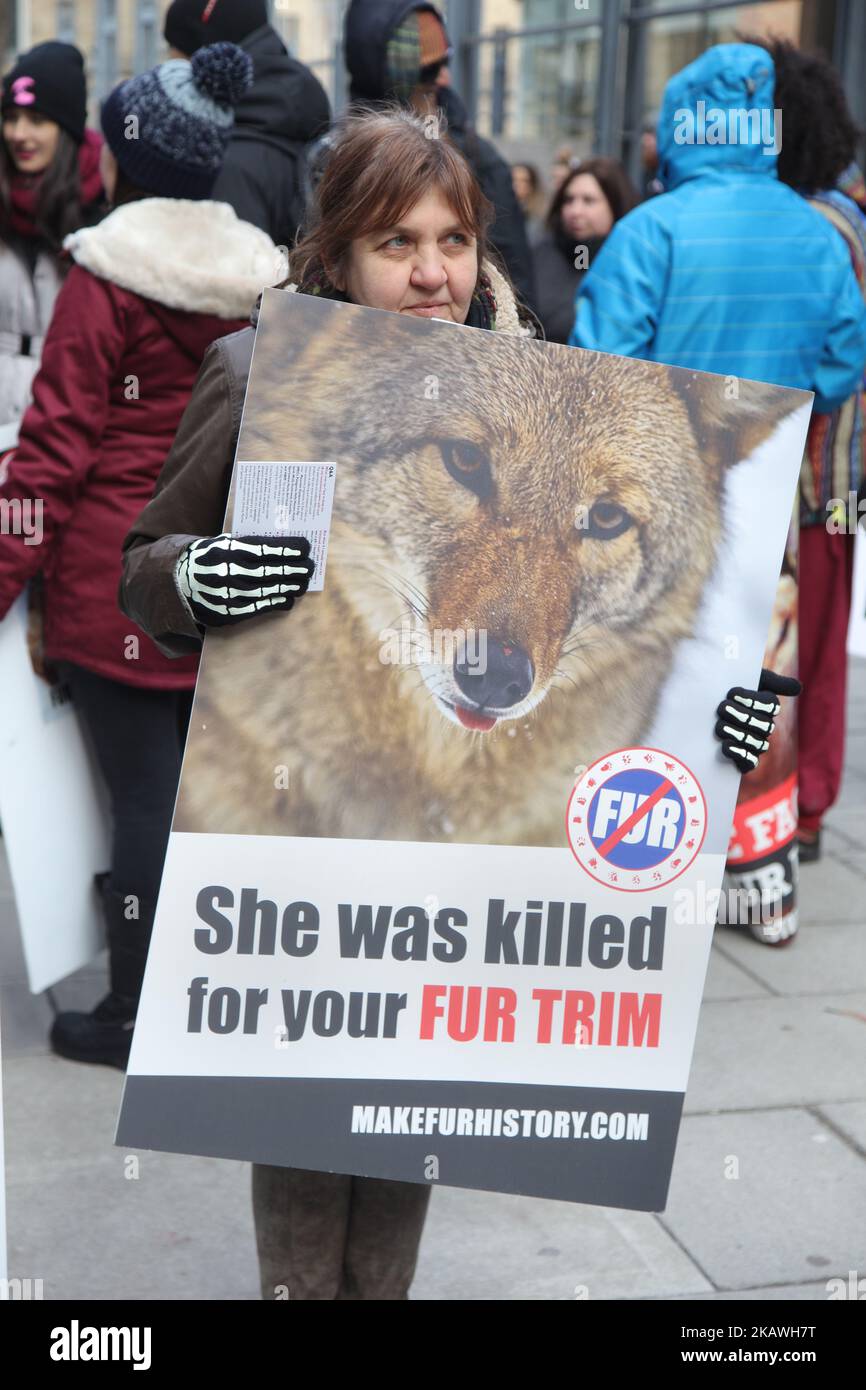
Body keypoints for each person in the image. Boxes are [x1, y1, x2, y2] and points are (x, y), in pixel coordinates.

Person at [118, 106, 794, 1299]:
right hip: (299, 836)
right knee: (298, 1129)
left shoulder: (558, 378)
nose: (430, 272)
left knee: (412, 1121)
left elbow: (676, 647)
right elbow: (145, 557)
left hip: (465, 867)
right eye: (394, 242)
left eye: (451, 239)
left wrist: (729, 726)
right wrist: (192, 576)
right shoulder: (258, 371)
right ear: (333, 256)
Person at [0, 42, 283, 1069]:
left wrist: (4, 567)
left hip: (111, 578)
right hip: (211, 568)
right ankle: (194, 986)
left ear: (123, 153)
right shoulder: (260, 279)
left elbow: (55, 450)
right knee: (184, 794)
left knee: (139, 802)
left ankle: (131, 1009)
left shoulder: (105, 273)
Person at [569, 43, 866, 411]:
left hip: (660, 455)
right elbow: (839, 370)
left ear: (678, 122)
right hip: (770, 450)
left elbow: (597, 369)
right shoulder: (821, 234)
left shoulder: (648, 230)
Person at [760, 37, 866, 862]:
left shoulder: (812, 227)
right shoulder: (843, 219)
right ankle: (804, 805)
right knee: (819, 642)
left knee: (801, 641)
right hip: (833, 478)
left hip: (811, 475)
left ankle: (797, 808)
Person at [342, 0, 536, 310]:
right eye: (398, 241)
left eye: (456, 239)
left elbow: (519, 285)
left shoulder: (480, 161)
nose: (444, 77)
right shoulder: (327, 161)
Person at [163, 0, 330, 251]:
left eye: (174, 55)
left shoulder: (227, 164)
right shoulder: (292, 103)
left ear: (202, 61)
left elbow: (229, 283)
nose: (167, 68)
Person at [0, 41, 104, 436]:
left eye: (36, 120)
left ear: (66, 128)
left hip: (66, 418)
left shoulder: (100, 213)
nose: (18, 134)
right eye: (10, 117)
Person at [533, 156, 638, 344]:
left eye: (588, 201)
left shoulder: (634, 262)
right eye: (569, 200)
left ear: (614, 205)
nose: (575, 211)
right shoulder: (540, 252)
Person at [511, 160, 545, 241]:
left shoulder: (537, 219)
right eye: (513, 179)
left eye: (524, 181)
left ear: (531, 186)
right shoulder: (497, 213)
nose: (517, 184)